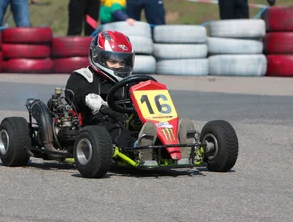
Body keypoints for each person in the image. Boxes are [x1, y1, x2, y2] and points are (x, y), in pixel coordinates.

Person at [65, 30, 195, 164]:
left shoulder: (131, 82)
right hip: (99, 123)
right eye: (113, 61)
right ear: (99, 57)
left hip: (127, 121)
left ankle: (177, 148)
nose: (119, 66)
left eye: (123, 62)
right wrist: (88, 98)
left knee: (148, 126)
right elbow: (75, 94)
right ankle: (137, 148)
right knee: (114, 129)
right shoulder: (83, 76)